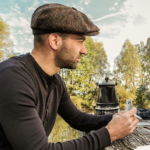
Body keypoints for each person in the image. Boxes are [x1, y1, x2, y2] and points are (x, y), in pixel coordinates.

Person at [0, 3, 139, 150]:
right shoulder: (12, 78)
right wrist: (110, 134)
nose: (84, 51)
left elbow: (77, 119)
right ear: (55, 41)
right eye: (80, 41)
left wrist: (115, 118)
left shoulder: (55, 81)